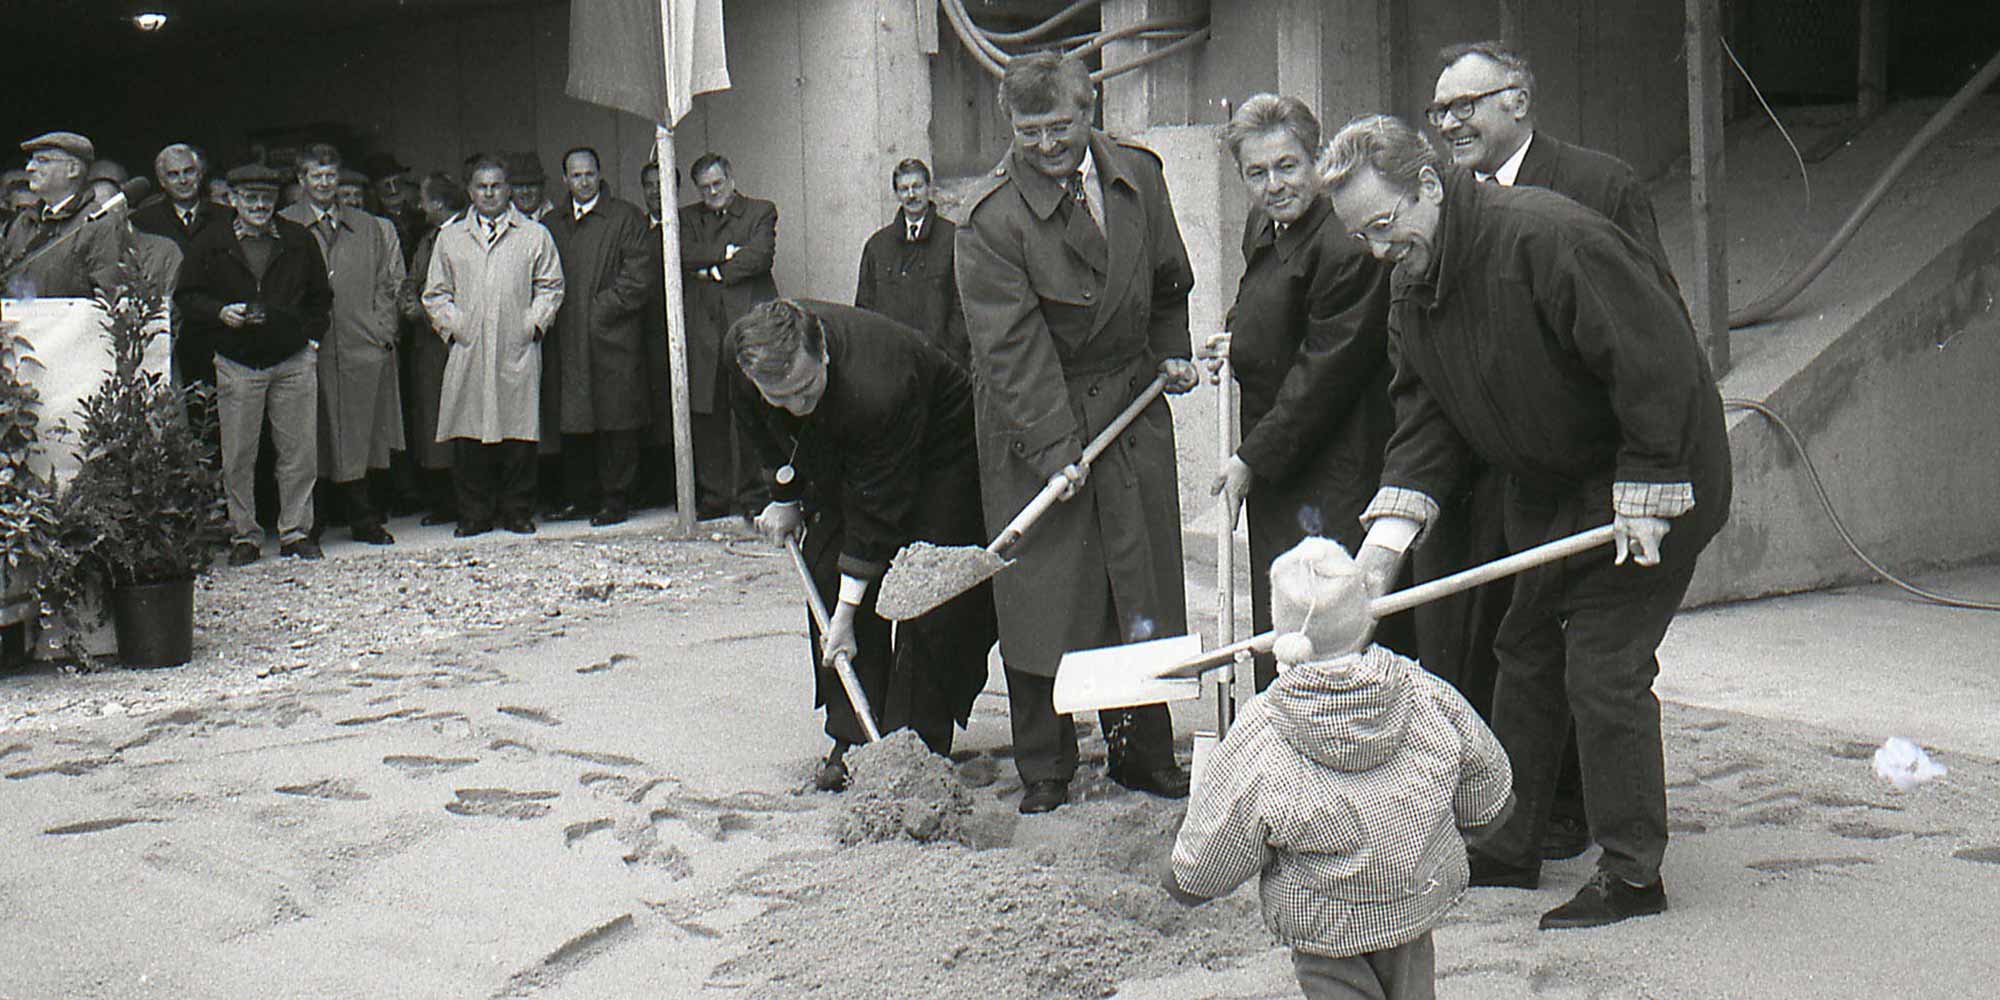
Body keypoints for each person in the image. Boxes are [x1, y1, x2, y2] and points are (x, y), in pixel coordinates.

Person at [1322, 114, 1730, 929]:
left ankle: (1631, 874)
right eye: (1360, 236)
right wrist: (1381, 555)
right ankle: (1512, 844)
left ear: (1429, 187)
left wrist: (1649, 484)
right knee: (1524, 650)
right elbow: (1427, 419)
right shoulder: (1413, 283)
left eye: (1384, 225)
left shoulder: (1549, 239)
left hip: (1649, 475)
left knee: (1602, 667)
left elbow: (1658, 360)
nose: (1376, 251)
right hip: (1548, 486)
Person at [1423, 39, 1675, 862]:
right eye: (1440, 111)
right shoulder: (1446, 206)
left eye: (1467, 105)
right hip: (1503, 467)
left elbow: (1652, 329)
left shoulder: (1597, 185)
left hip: (1598, 465)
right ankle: (1517, 827)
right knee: (1516, 641)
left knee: (1594, 651)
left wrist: (1644, 466)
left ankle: (1593, 826)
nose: (1451, 122)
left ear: (1519, 101)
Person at [956, 52, 1197, 815]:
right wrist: (1057, 451)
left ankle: (1141, 753)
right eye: (1030, 132)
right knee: (1047, 595)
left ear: (1087, 110)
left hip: (1130, 407)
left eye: (1059, 126)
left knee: (1139, 586)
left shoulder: (1138, 176)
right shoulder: (989, 221)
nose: (1047, 145)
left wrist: (1172, 352)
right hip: (1036, 419)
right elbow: (1010, 352)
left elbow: (1167, 279)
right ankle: (1045, 766)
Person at [1166, 537, 1513, 1000]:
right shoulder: (1422, 690)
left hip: (1325, 915)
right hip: (1413, 892)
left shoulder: (1264, 729)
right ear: (1362, 620)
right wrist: (1469, 819)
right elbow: (1487, 781)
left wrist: (1187, 877)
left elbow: (1224, 829)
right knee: (1413, 985)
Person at [731, 298, 998, 789]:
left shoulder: (881, 382)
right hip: (844, 444)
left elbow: (876, 514)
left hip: (942, 453)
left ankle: (917, 745)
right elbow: (765, 435)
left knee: (925, 592)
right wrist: (785, 496)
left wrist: (848, 616)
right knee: (827, 564)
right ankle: (854, 736)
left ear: (824, 352)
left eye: (806, 388)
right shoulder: (745, 359)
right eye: (781, 396)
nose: (796, 405)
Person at [1204, 94, 1411, 693]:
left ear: (1315, 159)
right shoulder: (1264, 224)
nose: (1274, 184)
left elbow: (1325, 372)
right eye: (1257, 172)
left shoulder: (1344, 242)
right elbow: (1264, 296)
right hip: (1281, 458)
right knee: (1285, 617)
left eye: (1288, 165)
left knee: (1330, 621)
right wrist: (1235, 335)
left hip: (1337, 459)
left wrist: (1248, 460)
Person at [175, 163, 333, 564]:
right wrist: (219, 313)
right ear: (232, 199)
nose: (259, 205)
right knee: (239, 454)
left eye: (266, 197)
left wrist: (310, 341)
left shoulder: (298, 241)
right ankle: (243, 537)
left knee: (298, 452)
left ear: (277, 200)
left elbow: (321, 298)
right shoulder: (210, 242)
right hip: (238, 360)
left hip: (293, 359)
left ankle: (295, 532)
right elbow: (186, 296)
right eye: (250, 198)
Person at [421, 155, 565, 537]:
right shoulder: (451, 238)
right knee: (469, 436)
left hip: (515, 346)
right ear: (469, 191)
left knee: (517, 433)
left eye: (497, 185)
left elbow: (551, 286)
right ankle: (474, 514)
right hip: (469, 349)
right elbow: (435, 294)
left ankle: (517, 511)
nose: (489, 192)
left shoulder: (533, 235)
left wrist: (531, 324)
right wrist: (457, 328)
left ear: (509, 189)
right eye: (481, 186)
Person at [281, 143, 407, 546]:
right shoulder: (285, 224)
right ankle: (310, 522)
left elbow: (388, 283)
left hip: (360, 343)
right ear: (301, 180)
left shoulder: (368, 226)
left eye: (330, 175)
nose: (323, 183)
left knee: (361, 433)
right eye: (315, 176)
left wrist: (381, 329)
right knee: (309, 433)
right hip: (307, 346)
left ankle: (363, 517)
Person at [543, 146, 656, 526]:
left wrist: (599, 310)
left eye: (589, 173)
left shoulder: (625, 217)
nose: (583, 181)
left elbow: (639, 277)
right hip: (566, 336)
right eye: (575, 175)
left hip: (612, 336)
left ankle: (616, 497)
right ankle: (580, 496)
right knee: (574, 420)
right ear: (565, 180)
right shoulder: (553, 223)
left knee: (616, 419)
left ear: (599, 173)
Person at [680, 151, 778, 518]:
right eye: (704, 187)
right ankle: (715, 496)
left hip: (750, 325)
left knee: (754, 409)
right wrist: (725, 253)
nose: (712, 192)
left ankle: (757, 496)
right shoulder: (687, 218)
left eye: (718, 184)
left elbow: (760, 256)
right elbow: (684, 255)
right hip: (705, 328)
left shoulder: (760, 211)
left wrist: (714, 273)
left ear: (731, 179)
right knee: (709, 412)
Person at [398, 172, 469, 525]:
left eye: (424, 200)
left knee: (462, 421)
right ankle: (443, 501)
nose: (419, 207)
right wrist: (408, 301)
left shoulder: (465, 234)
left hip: (455, 341)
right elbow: (412, 278)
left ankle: (465, 500)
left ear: (438, 204)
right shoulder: (428, 239)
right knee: (433, 423)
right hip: (428, 348)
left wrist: (427, 314)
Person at [853, 158, 968, 369]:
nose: (911, 195)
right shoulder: (877, 246)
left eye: (917, 187)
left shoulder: (953, 239)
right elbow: (864, 308)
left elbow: (964, 303)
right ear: (896, 194)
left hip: (941, 364)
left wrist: (948, 352)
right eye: (904, 189)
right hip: (892, 363)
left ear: (929, 188)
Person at [0, 131, 126, 299]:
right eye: (30, 160)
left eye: (42, 161)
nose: (29, 168)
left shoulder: (99, 223)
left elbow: (107, 298)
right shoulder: (24, 221)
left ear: (72, 169)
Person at [507, 152, 552, 223]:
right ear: (509, 189)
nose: (525, 191)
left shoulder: (558, 221)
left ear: (542, 186)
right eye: (519, 185)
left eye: (531, 184)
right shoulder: (499, 223)